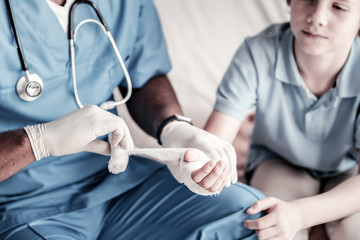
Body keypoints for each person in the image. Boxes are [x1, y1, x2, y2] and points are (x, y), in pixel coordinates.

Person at [0, 0, 266, 239]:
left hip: (119, 176)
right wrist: (38, 141)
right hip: (28, 203)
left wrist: (174, 127)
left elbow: (144, 72)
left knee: (253, 218)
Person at [204, 0, 360, 239]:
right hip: (278, 161)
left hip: (347, 170)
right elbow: (212, 145)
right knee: (268, 225)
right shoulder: (257, 52)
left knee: (353, 229)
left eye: (338, 7)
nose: (317, 17)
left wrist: (302, 214)